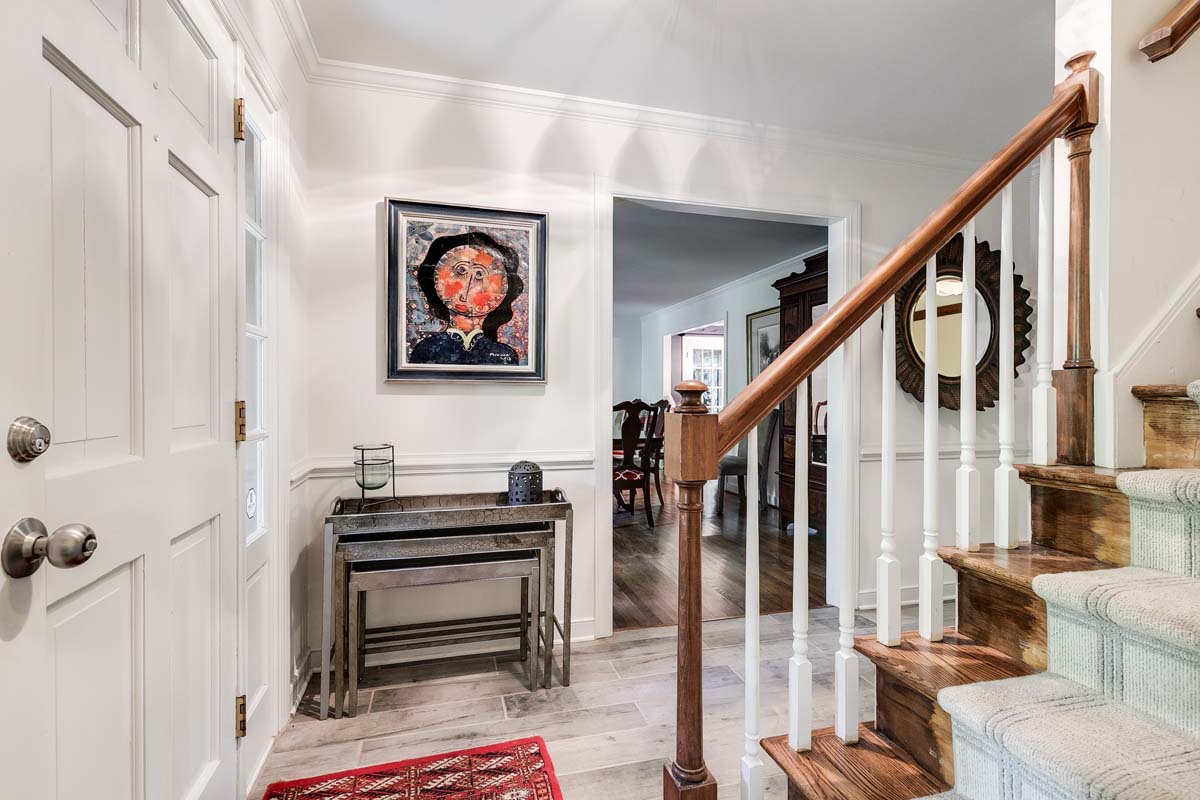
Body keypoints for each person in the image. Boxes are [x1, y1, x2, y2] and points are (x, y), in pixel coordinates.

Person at [409, 231, 524, 366]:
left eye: (479, 275)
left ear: (503, 291)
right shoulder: (426, 351)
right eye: (461, 270)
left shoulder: (505, 356)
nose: (466, 291)